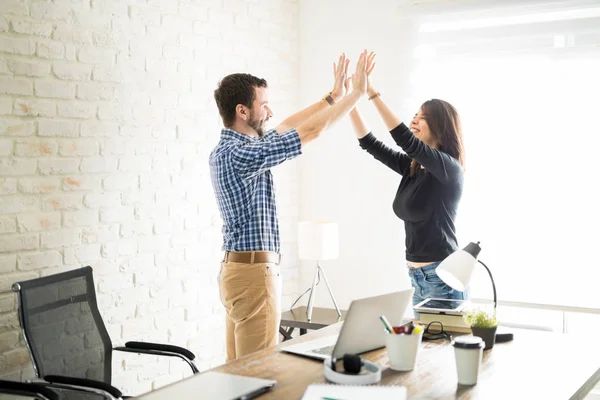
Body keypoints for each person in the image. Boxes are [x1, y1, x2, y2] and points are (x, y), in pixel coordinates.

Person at [210, 51, 370, 361]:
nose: (269, 113)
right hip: (255, 274)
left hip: (237, 271)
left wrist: (332, 97)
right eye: (263, 105)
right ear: (242, 111)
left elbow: (286, 127)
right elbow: (310, 131)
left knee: (237, 371)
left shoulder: (234, 148)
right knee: (259, 370)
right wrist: (357, 95)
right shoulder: (241, 155)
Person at [346, 52, 468, 306]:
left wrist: (372, 93)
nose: (414, 119)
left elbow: (406, 141)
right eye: (415, 114)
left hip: (443, 278)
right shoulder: (413, 169)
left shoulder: (449, 169)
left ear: (440, 126)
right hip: (417, 277)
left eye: (422, 117)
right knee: (421, 346)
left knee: (439, 347)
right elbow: (370, 144)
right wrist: (350, 101)